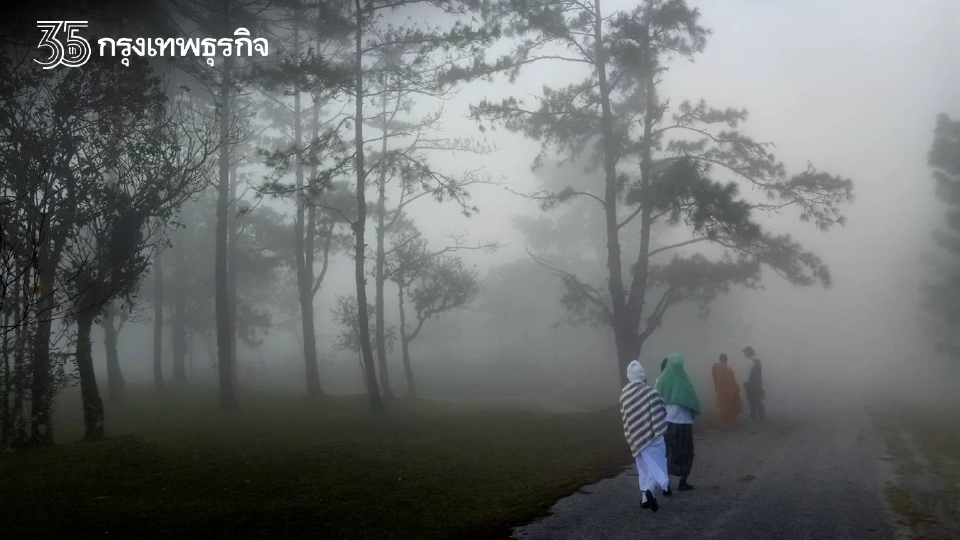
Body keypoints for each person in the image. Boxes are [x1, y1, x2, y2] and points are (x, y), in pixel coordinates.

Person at [620, 359, 670, 512]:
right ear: (642, 375)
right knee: (658, 465)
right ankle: (651, 490)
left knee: (643, 468)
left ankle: (646, 499)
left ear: (629, 375)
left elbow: (626, 416)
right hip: (653, 436)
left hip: (636, 437)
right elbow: (662, 410)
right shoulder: (651, 392)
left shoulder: (624, 394)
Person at [655, 353, 700, 491]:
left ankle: (665, 483)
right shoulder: (685, 381)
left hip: (668, 421)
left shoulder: (661, 380)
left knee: (668, 451)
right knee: (686, 451)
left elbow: (657, 400)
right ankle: (682, 481)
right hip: (684, 422)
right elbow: (693, 401)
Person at [711, 353, 742, 427]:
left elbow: (714, 378)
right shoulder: (729, 370)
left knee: (722, 405)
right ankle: (729, 421)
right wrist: (737, 389)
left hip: (720, 390)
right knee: (730, 405)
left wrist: (716, 387)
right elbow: (733, 381)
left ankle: (724, 421)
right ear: (727, 360)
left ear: (720, 359)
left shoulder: (715, 367)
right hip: (729, 391)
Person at [742, 346, 765, 420]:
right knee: (758, 400)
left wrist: (745, 383)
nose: (744, 353)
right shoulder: (757, 360)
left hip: (751, 384)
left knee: (751, 400)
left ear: (749, 352)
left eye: (745, 352)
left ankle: (753, 415)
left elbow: (747, 373)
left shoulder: (749, 361)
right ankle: (761, 416)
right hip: (758, 383)